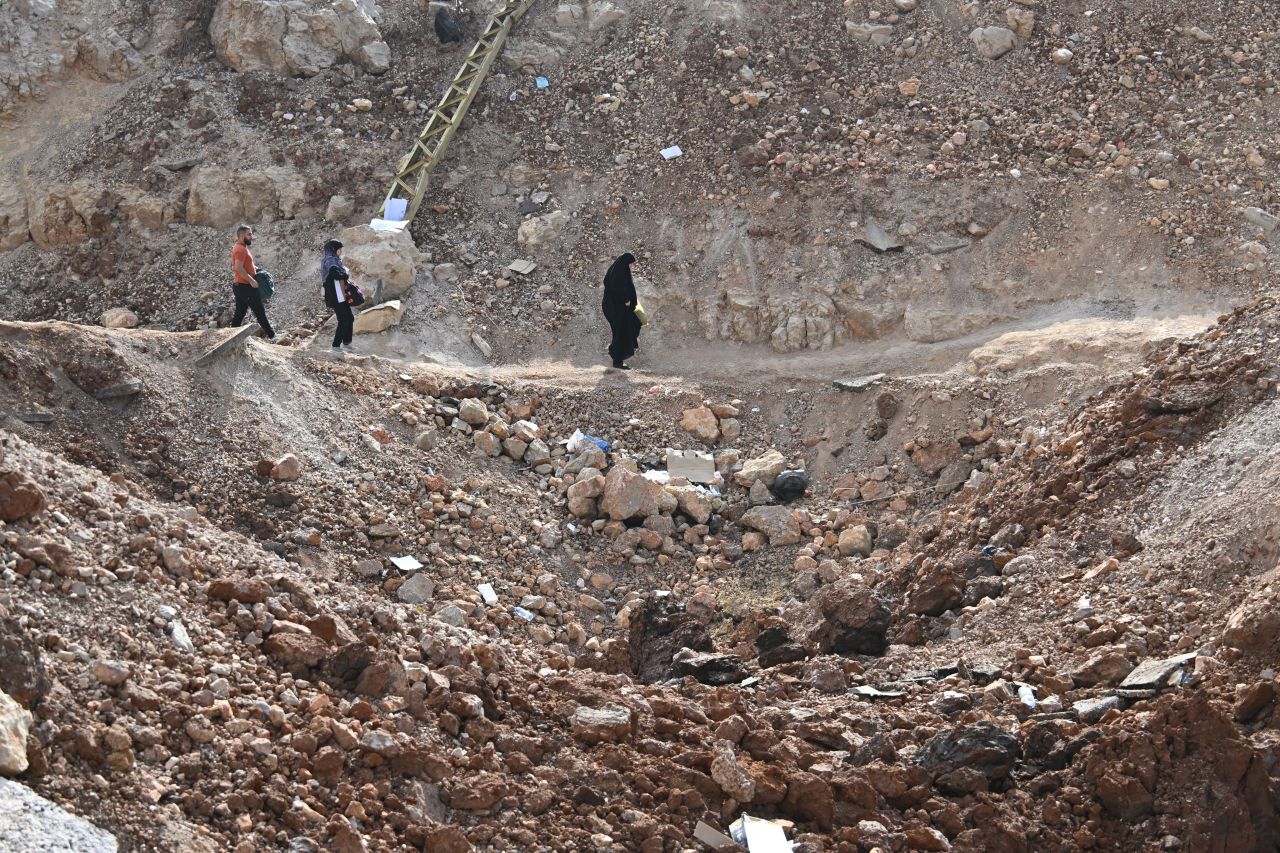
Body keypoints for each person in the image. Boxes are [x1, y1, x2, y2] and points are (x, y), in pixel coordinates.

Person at [230, 225, 277, 341]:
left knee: (240, 313)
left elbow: (245, 265)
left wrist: (257, 270)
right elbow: (238, 267)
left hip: (240, 286)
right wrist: (251, 280)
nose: (252, 237)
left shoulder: (241, 247)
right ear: (241, 236)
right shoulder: (240, 249)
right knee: (259, 311)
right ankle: (273, 336)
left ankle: (229, 336)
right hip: (245, 286)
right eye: (249, 234)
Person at [602, 252, 641, 369]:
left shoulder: (617, 270)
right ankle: (617, 360)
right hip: (616, 309)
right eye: (631, 264)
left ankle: (617, 355)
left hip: (620, 309)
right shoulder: (618, 273)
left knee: (630, 327)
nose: (632, 266)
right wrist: (625, 299)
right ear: (626, 263)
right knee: (620, 333)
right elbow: (616, 287)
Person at [322, 239, 355, 353]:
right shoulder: (330, 260)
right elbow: (336, 273)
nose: (340, 251)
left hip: (341, 294)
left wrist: (344, 274)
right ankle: (336, 346)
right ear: (333, 249)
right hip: (335, 295)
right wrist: (345, 274)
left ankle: (346, 343)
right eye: (339, 249)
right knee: (344, 319)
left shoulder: (335, 260)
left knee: (349, 318)